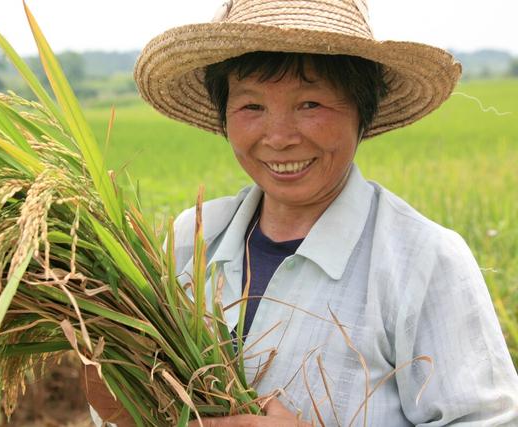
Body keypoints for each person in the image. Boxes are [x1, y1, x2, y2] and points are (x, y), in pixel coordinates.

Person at [85, 0, 518, 425]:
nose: (278, 137)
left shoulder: (422, 260)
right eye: (252, 106)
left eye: (310, 104)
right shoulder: (190, 240)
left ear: (362, 113)